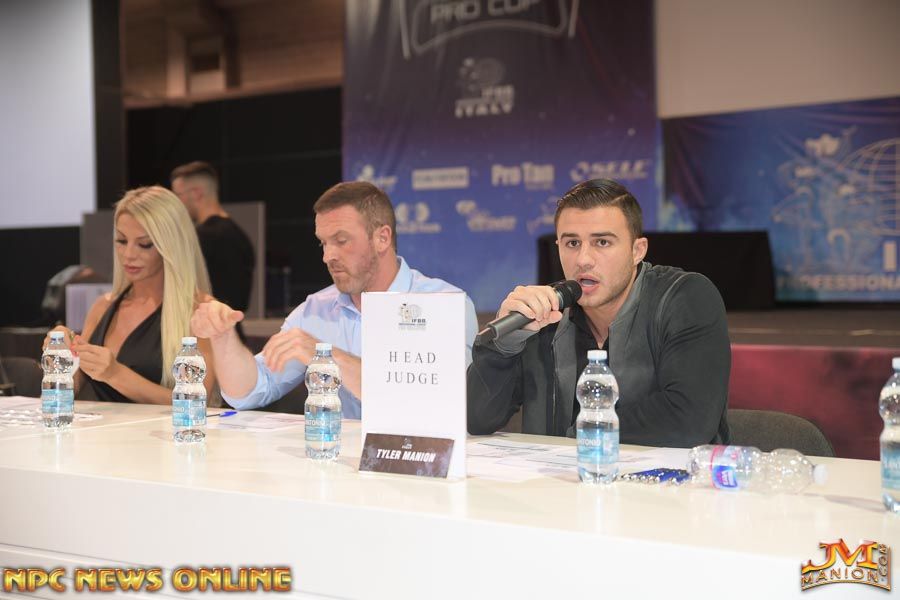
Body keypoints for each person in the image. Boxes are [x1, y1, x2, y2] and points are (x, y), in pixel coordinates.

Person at [467, 178, 731, 447]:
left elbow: (688, 419)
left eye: (602, 242)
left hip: (666, 475)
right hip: (557, 474)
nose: (583, 260)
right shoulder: (544, 314)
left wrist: (581, 435)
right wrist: (504, 345)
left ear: (637, 250)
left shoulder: (686, 297)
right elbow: (476, 419)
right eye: (572, 243)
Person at [191, 181, 478, 419]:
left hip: (425, 464)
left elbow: (446, 402)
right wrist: (223, 336)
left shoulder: (444, 305)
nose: (327, 256)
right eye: (323, 243)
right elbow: (249, 391)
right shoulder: (315, 310)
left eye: (341, 241)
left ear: (382, 238)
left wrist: (326, 356)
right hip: (341, 463)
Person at [44, 186, 217, 404]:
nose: (129, 254)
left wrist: (116, 374)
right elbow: (72, 388)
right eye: (121, 241)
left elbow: (198, 402)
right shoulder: (102, 307)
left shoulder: (201, 312)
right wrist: (63, 355)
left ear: (171, 246)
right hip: (101, 426)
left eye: (144, 244)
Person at [171, 161, 255, 315]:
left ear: (196, 193)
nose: (176, 204)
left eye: (178, 195)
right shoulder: (239, 235)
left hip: (209, 326)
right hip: (228, 324)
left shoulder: (202, 238)